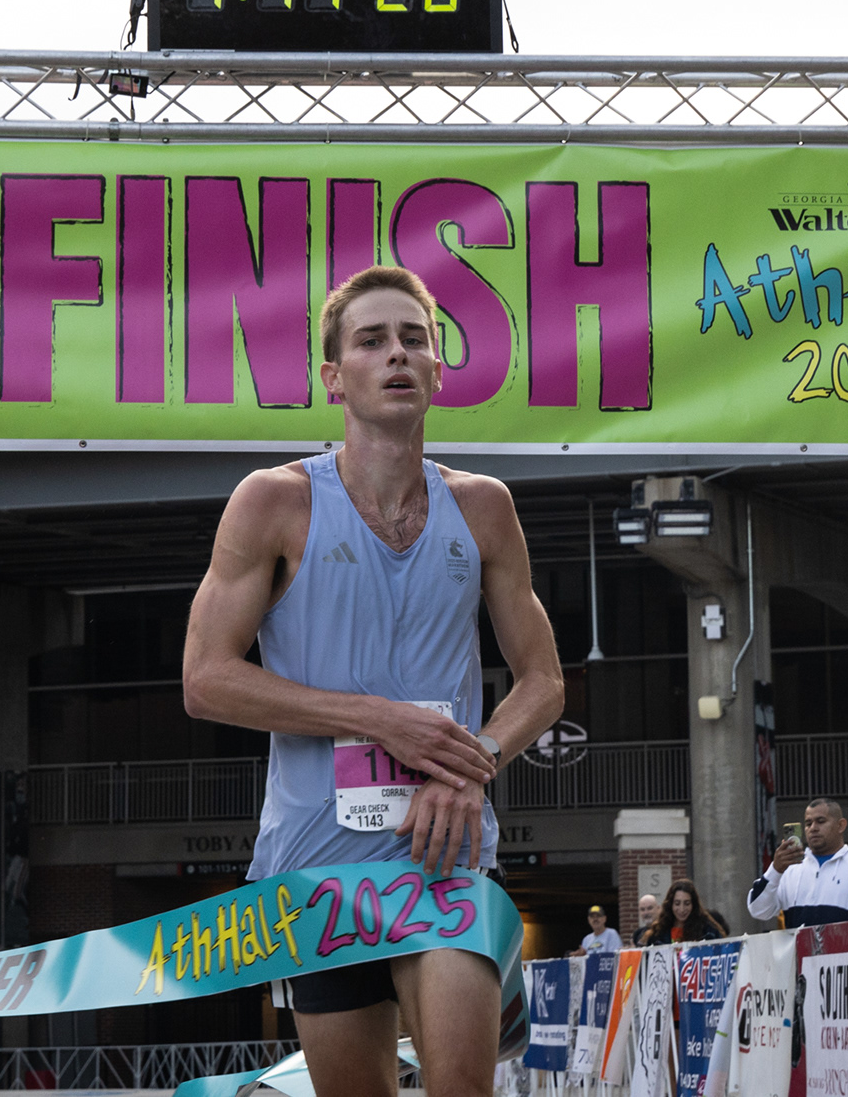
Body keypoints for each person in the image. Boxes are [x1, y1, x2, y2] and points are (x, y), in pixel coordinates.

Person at [183, 266, 565, 1097]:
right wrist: (381, 721)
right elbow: (207, 681)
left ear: (437, 370)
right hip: (317, 869)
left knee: (462, 1087)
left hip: (445, 854)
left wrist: (474, 762)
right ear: (333, 377)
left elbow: (543, 682)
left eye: (414, 340)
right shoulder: (274, 502)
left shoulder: (485, 507)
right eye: (371, 341)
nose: (397, 354)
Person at [748, 799, 848, 927]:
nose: (813, 828)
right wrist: (775, 870)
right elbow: (758, 910)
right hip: (800, 959)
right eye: (808, 823)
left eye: (821, 821)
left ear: (841, 825)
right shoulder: (789, 869)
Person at [642, 879, 727, 945]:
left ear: (693, 904)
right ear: (670, 904)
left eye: (687, 903)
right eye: (677, 903)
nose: (682, 909)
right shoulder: (658, 932)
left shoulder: (708, 931)